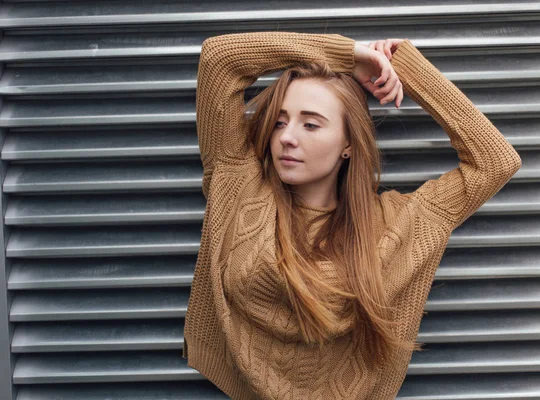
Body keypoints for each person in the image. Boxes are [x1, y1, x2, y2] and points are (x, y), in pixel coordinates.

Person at [182, 31, 522, 400]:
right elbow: (219, 58)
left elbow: (496, 162)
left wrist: (404, 65)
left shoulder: (396, 223)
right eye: (280, 122)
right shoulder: (240, 182)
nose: (287, 138)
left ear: (348, 144)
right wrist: (348, 55)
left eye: (310, 124)